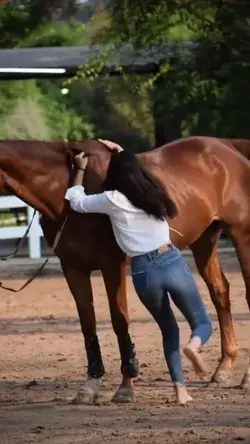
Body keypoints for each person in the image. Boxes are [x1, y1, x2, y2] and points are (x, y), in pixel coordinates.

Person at [65, 139, 212, 405]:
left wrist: (79, 169)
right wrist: (122, 151)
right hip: (171, 261)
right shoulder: (154, 190)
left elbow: (76, 201)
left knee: (168, 329)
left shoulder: (112, 199)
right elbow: (135, 170)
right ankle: (194, 346)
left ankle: (180, 390)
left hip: (144, 271)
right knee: (201, 322)